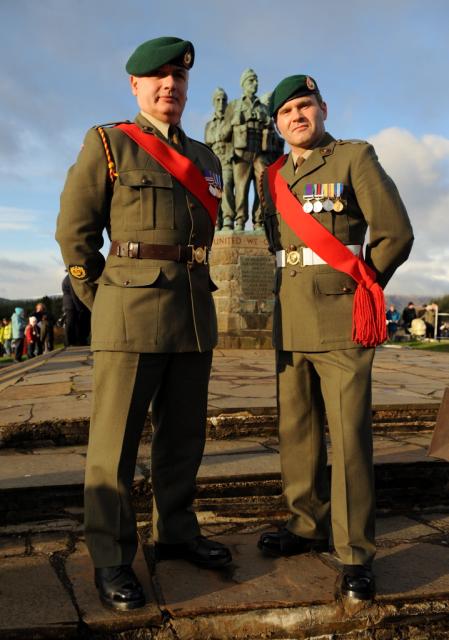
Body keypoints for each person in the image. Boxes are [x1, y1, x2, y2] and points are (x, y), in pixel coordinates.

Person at [55, 36, 231, 611]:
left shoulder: (206, 158)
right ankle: (110, 556)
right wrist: (105, 299)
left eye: (178, 79)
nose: (169, 87)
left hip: (193, 313)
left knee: (183, 438)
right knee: (115, 447)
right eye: (157, 78)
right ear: (135, 86)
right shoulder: (109, 143)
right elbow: (75, 234)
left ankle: (176, 531)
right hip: (129, 315)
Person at [258, 74, 414, 601]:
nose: (297, 117)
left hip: (341, 320)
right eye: (286, 112)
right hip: (290, 318)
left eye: (305, 106)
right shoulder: (271, 176)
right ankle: (305, 524)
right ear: (277, 124)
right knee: (297, 432)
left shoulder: (353, 158)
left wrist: (363, 284)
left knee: (349, 441)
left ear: (323, 108)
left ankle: (354, 554)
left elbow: (396, 232)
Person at [223, 69, 273, 230]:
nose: (255, 83)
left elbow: (272, 132)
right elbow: (223, 134)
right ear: (244, 84)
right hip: (241, 154)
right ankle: (240, 221)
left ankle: (258, 221)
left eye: (256, 80)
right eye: (251, 80)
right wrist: (233, 123)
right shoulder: (234, 106)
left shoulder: (264, 108)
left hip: (259, 154)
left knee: (262, 188)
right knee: (241, 189)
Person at [204, 87, 235, 230]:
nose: (221, 102)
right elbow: (206, 145)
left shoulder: (230, 122)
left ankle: (228, 218)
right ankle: (217, 220)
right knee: (214, 190)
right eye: (218, 99)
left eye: (223, 100)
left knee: (227, 185)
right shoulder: (209, 125)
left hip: (227, 160)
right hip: (213, 162)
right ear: (213, 102)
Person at [61, 273, 91, 346]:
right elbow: (74, 294)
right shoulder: (71, 278)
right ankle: (70, 342)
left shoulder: (69, 277)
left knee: (73, 323)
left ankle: (73, 342)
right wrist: (79, 308)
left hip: (69, 305)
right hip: (71, 305)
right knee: (72, 323)